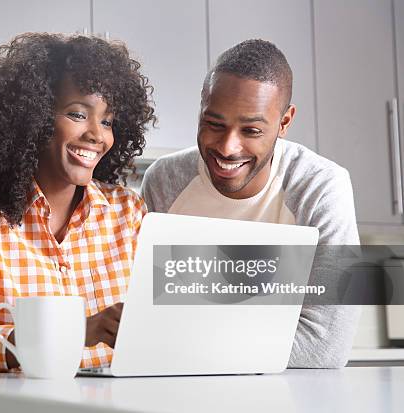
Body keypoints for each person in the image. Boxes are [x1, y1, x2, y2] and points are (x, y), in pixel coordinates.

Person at [0, 33, 156, 371]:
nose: (97, 134)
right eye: (78, 114)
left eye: (107, 121)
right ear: (32, 118)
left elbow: (161, 331)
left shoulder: (130, 213)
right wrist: (73, 331)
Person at [141, 39, 360, 368]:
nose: (228, 148)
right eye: (214, 124)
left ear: (284, 123)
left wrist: (184, 337)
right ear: (201, 107)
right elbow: (145, 319)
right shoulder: (165, 181)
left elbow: (324, 345)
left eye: (251, 130)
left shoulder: (321, 187)